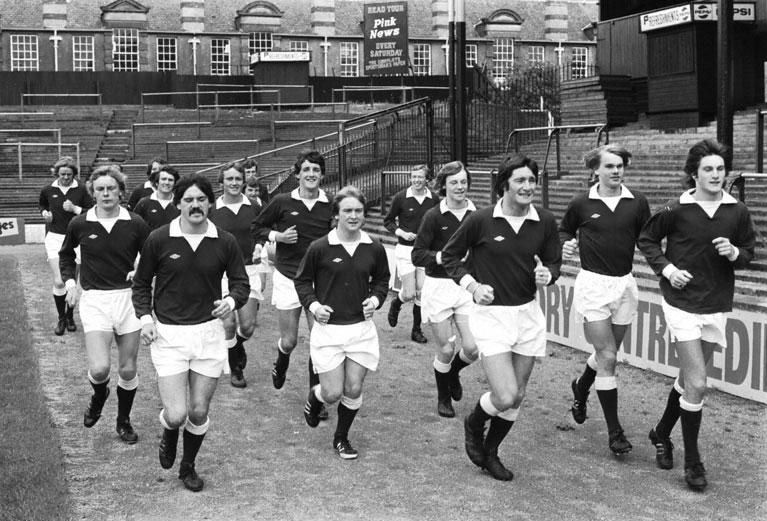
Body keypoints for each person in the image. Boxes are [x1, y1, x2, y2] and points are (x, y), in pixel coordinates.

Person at [637, 139, 755, 492]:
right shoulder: (677, 209)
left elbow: (749, 251)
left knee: (689, 379)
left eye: (720, 169)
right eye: (708, 169)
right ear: (694, 174)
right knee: (699, 383)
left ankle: (661, 432)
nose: (716, 175)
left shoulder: (737, 211)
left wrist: (735, 251)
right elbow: (646, 240)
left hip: (716, 302)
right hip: (680, 302)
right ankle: (693, 462)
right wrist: (668, 269)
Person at [442, 154, 561, 481]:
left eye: (531, 180)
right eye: (520, 180)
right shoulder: (481, 220)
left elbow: (554, 263)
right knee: (504, 394)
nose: (527, 187)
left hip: (527, 316)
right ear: (504, 185)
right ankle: (474, 422)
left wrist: (547, 276)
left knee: (517, 396)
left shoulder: (546, 221)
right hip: (491, 317)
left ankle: (491, 452)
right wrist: (472, 286)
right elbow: (449, 257)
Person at [132, 174, 249, 492]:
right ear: (178, 204)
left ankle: (188, 467)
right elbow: (141, 284)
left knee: (198, 411)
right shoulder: (159, 238)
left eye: (201, 199)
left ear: (210, 203)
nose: (195, 205)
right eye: (188, 200)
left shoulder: (224, 240)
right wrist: (145, 318)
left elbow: (241, 283)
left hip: (208, 334)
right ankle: (169, 431)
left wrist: (230, 300)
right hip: (169, 336)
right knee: (177, 412)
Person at [559, 144, 651, 456]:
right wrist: (566, 247)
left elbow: (647, 239)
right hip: (593, 286)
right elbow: (562, 232)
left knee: (606, 355)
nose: (616, 171)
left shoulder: (636, 201)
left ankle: (582, 385)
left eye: (620, 166)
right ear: (595, 170)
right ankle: (615, 432)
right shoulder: (581, 203)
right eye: (609, 166)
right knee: (608, 357)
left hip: (625, 285)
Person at [295, 186, 390, 459]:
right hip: (328, 331)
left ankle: (341, 437)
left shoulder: (374, 247)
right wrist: (314, 306)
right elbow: (302, 281)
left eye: (358, 210)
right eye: (347, 210)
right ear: (336, 214)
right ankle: (315, 397)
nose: (353, 215)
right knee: (333, 392)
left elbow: (382, 280)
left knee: (354, 388)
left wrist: (375, 300)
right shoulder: (320, 247)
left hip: (361, 330)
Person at [59, 165, 150, 443]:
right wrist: (71, 284)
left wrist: (142, 271)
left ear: (121, 191)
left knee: (127, 369)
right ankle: (99, 395)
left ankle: (123, 421)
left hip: (128, 299)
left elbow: (151, 256)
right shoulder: (80, 223)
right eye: (100, 189)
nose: (106, 193)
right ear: (92, 193)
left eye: (111, 188)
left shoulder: (135, 222)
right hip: (96, 300)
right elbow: (65, 256)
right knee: (99, 369)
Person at [253, 150, 334, 420]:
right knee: (290, 340)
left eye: (316, 170)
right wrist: (277, 236)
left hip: (319, 282)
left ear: (322, 175)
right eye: (306, 169)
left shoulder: (330, 202)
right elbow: (257, 227)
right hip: (288, 277)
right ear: (297, 173)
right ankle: (281, 359)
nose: (311, 174)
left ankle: (315, 397)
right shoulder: (282, 201)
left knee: (319, 341)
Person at [411, 161, 479, 418]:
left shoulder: (477, 214)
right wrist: (443, 258)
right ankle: (443, 399)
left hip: (466, 286)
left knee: (473, 348)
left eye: (463, 182)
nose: (460, 187)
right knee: (447, 349)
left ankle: (453, 372)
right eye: (454, 182)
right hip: (438, 287)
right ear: (444, 186)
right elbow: (418, 255)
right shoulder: (433, 216)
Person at [209, 162, 264, 388]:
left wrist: (261, 244)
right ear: (221, 182)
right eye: (229, 179)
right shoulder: (211, 208)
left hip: (248, 271)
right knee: (228, 322)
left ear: (244, 181)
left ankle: (236, 345)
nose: (234, 183)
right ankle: (235, 367)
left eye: (237, 179)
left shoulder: (254, 205)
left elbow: (263, 230)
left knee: (248, 326)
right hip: (220, 274)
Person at [383, 164, 440, 343]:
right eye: (413, 177)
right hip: (405, 250)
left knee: (421, 292)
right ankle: (397, 303)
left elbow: (440, 221)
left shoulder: (434, 199)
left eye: (420, 177)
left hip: (425, 251)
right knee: (408, 293)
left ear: (427, 180)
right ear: (410, 178)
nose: (416, 180)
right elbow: (388, 221)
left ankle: (416, 330)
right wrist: (401, 233)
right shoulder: (401, 197)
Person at [39, 156, 93, 335]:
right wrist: (45, 213)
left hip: (76, 239)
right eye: (62, 174)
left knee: (72, 282)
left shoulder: (82, 189)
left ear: (74, 174)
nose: (65, 178)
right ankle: (61, 318)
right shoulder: (48, 190)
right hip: (54, 238)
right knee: (59, 280)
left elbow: (92, 211)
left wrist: (75, 209)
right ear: (57, 174)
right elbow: (42, 205)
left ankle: (70, 316)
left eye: (69, 174)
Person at [133, 165, 180, 230]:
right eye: (163, 179)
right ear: (157, 183)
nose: (167, 182)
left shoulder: (181, 203)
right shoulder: (143, 203)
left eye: (170, 180)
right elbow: (134, 226)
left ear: (174, 184)